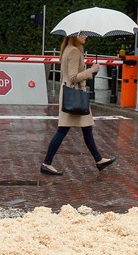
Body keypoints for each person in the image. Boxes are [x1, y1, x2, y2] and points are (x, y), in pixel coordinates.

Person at [41, 34, 116, 175]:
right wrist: (91, 70)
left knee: (86, 128)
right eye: (83, 34)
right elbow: (73, 77)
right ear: (75, 35)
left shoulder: (68, 49)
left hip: (70, 94)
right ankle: (46, 163)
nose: (86, 36)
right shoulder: (74, 51)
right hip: (74, 96)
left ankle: (99, 159)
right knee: (63, 130)